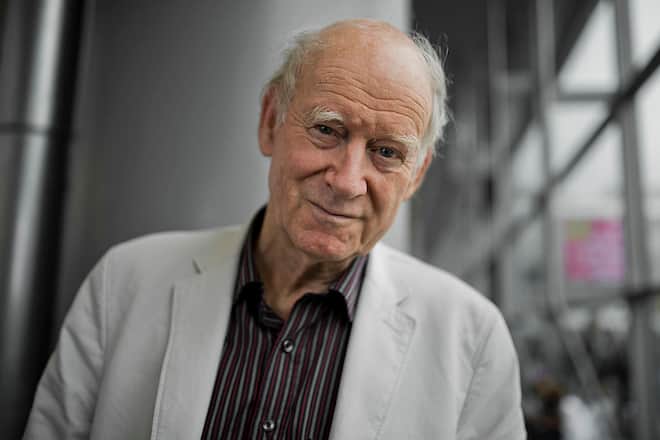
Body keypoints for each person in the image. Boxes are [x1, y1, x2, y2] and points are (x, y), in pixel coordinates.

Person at [24, 19, 525, 439]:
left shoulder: (473, 341)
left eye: (387, 152)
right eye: (327, 129)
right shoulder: (124, 282)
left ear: (415, 174)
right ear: (270, 122)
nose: (347, 181)